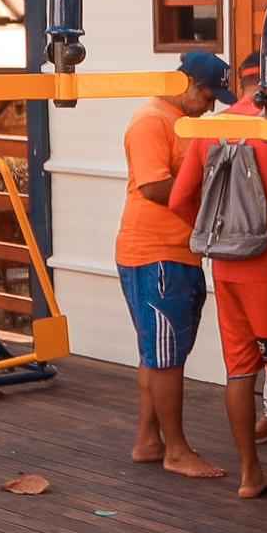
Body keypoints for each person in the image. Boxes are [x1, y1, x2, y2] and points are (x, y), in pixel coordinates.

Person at [166, 75, 267, 503]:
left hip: (227, 266)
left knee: (240, 370)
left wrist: (217, 234)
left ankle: (250, 472)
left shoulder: (212, 127)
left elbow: (179, 199)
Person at [108, 47, 227, 481]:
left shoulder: (180, 121)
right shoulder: (152, 121)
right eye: (208, 96)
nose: (210, 106)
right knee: (165, 357)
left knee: (159, 352)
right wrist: (212, 196)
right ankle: (176, 450)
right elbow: (155, 186)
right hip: (154, 253)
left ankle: (148, 440)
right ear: (187, 84)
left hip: (177, 252)